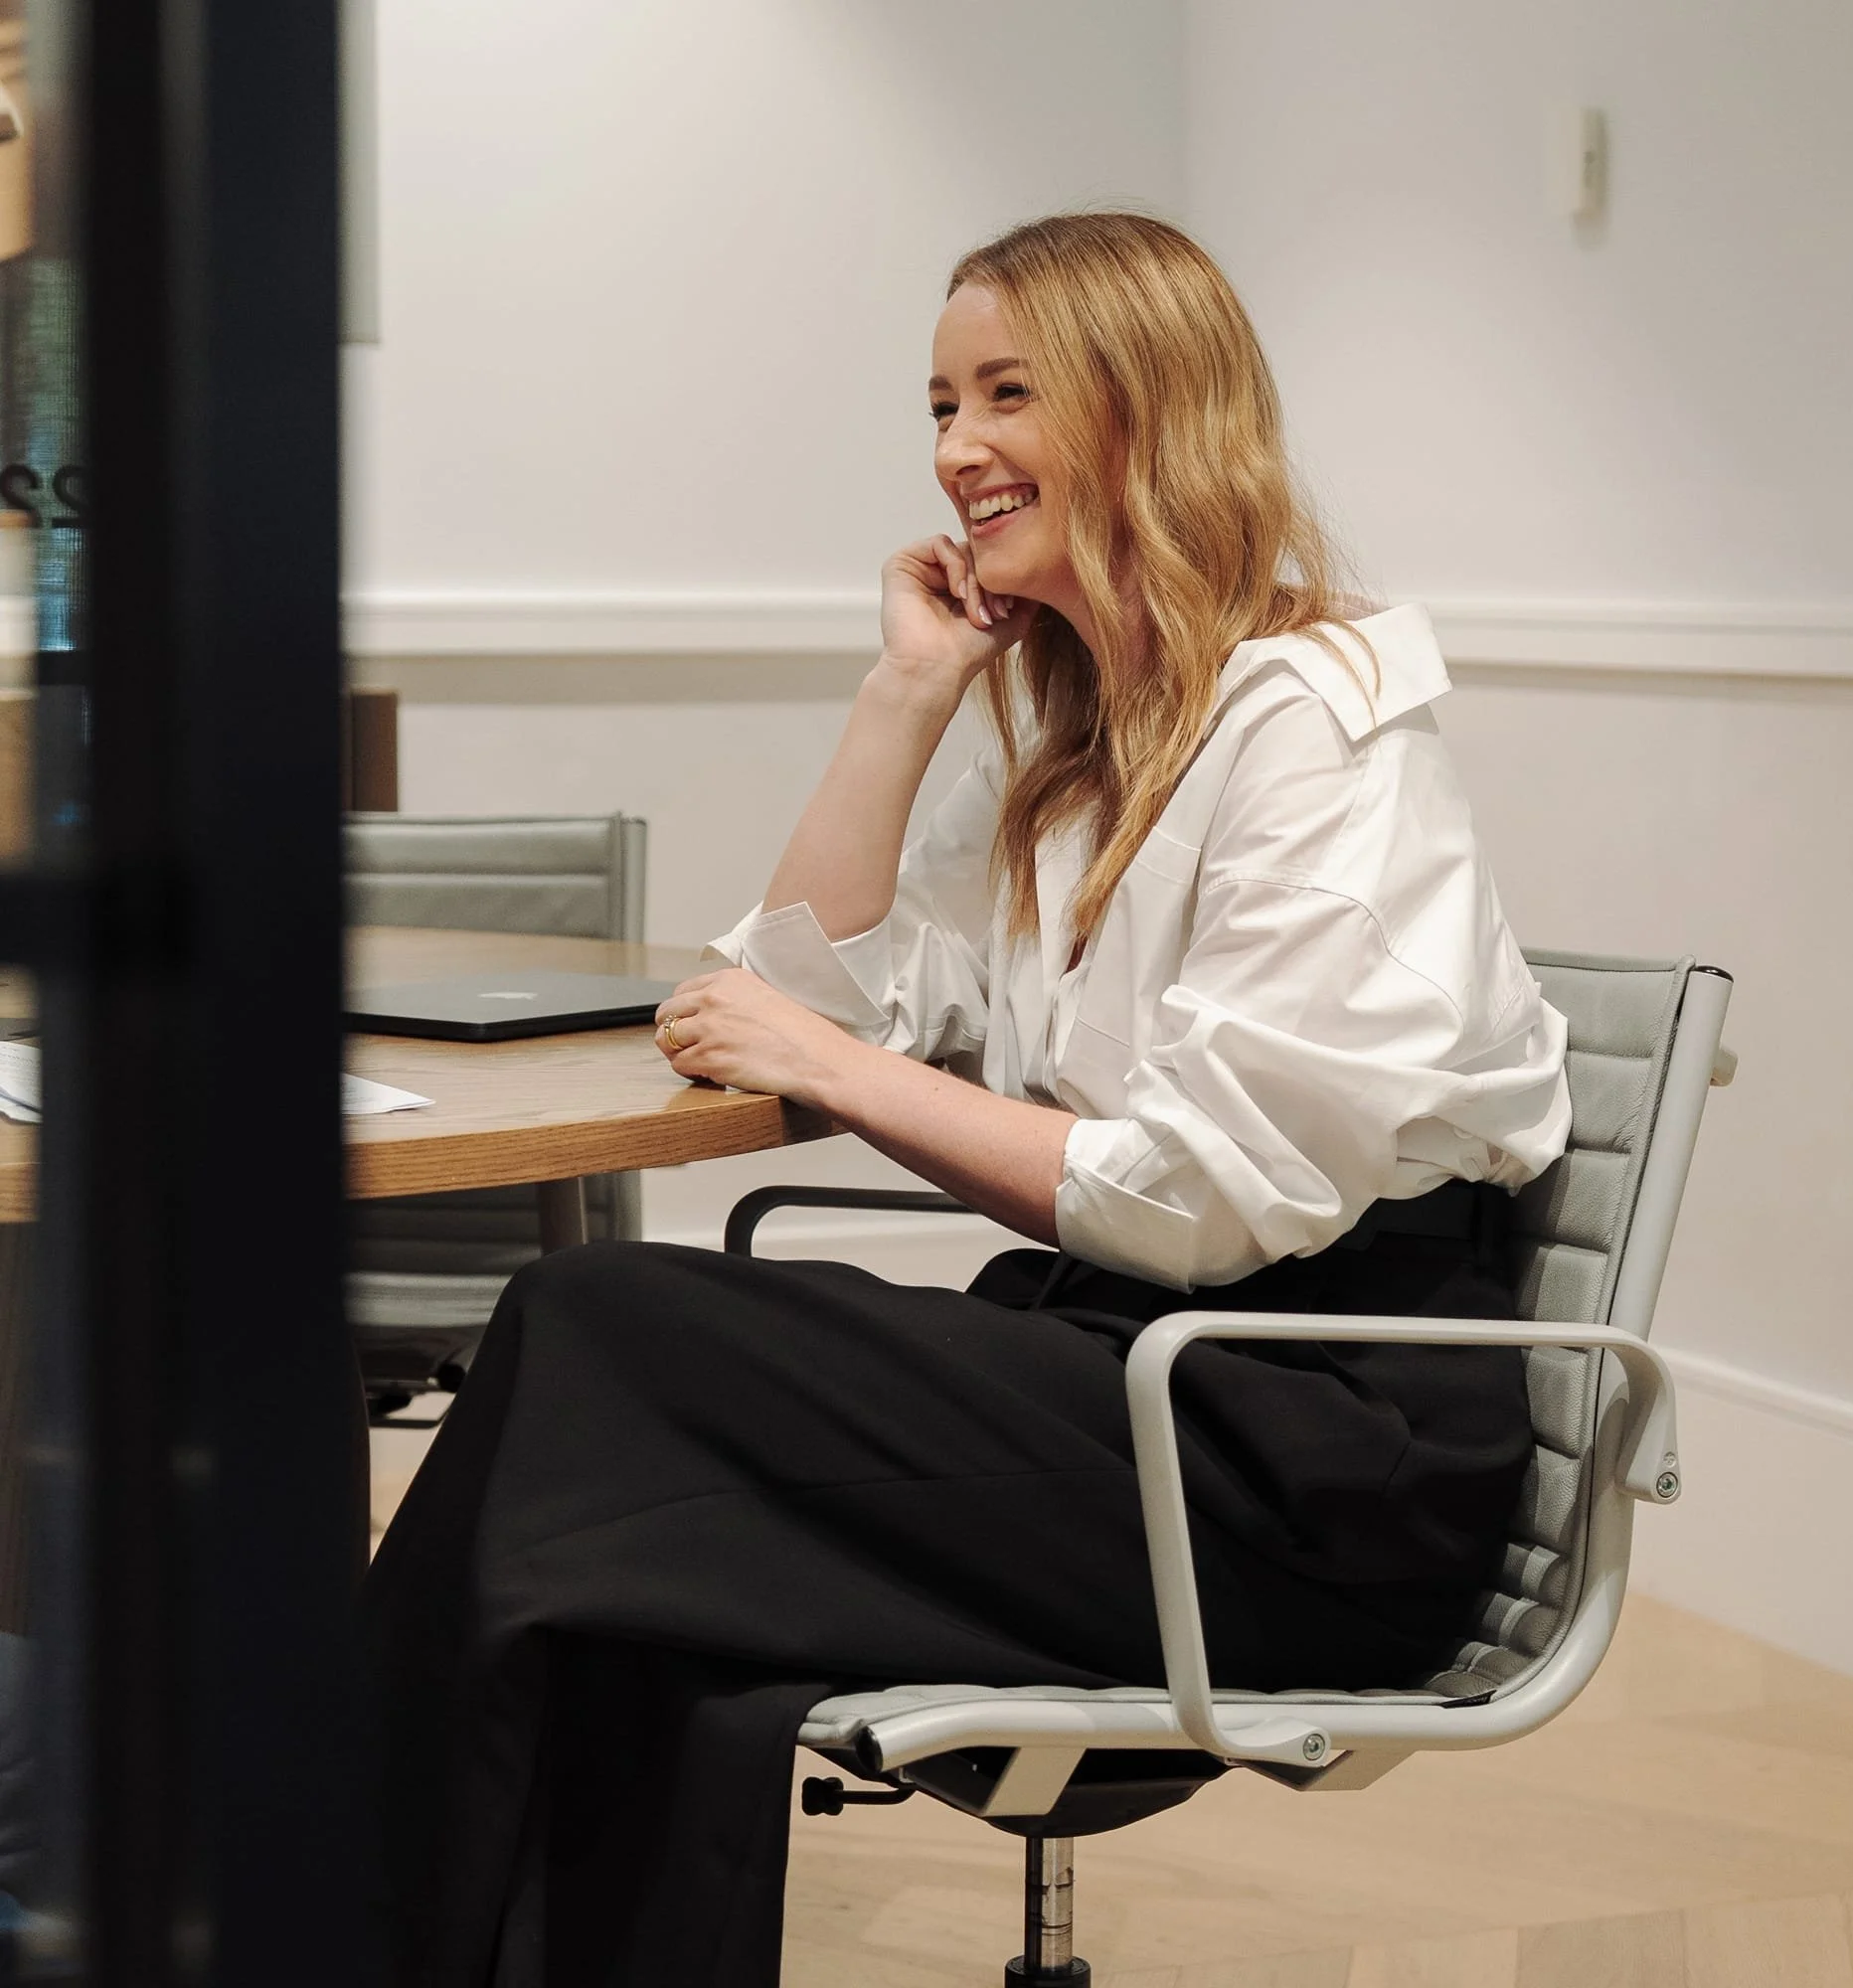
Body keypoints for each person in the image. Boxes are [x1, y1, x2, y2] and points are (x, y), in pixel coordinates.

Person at [363, 212, 1571, 1987]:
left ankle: (291, 1906)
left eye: (1009, 392)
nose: (955, 449)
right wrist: (908, 692)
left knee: (594, 1325)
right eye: (940, 402)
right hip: (1129, 1376)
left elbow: (1198, 1199)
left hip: (1293, 1463)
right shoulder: (1070, 731)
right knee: (628, 1574)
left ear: (1150, 411)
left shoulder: (1316, 720)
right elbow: (784, 1001)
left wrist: (840, 1077)